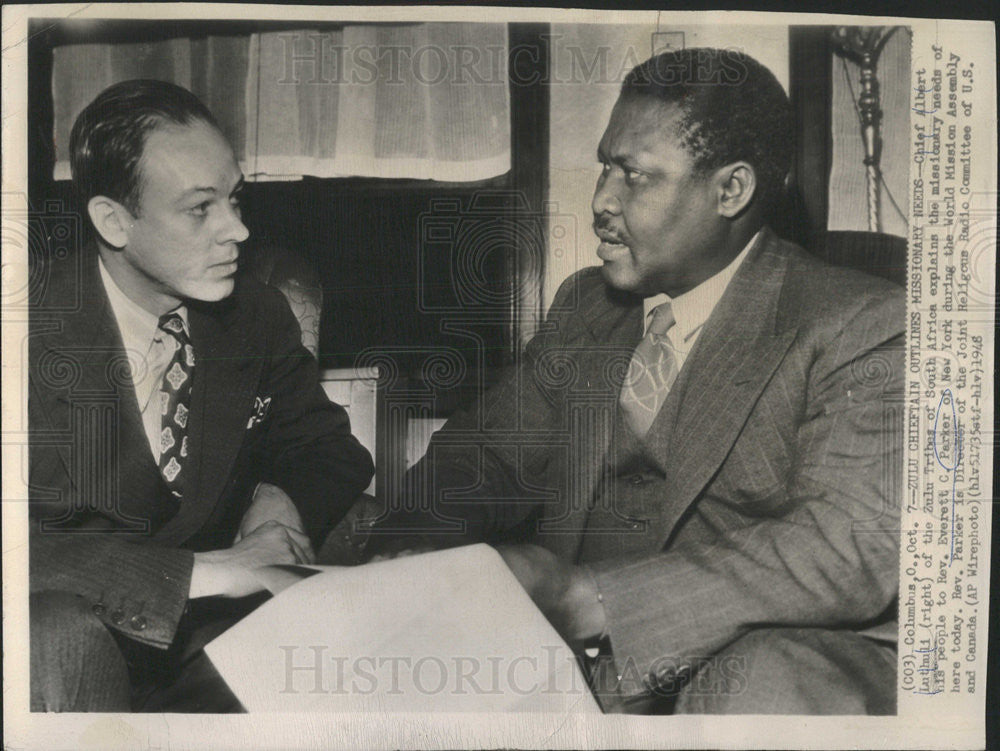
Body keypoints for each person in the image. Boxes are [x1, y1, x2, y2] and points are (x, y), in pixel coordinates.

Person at [367, 48, 904, 714]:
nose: (601, 201)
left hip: (734, 680)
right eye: (604, 168)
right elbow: (481, 455)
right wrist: (404, 553)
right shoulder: (587, 307)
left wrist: (589, 597)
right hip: (561, 675)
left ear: (730, 190)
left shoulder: (859, 323)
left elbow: (844, 544)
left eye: (635, 177)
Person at [29, 79, 374, 711]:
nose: (237, 231)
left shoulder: (256, 315)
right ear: (113, 220)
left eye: (236, 200)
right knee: (55, 637)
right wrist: (210, 571)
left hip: (206, 652)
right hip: (54, 660)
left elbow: (326, 447)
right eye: (200, 209)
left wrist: (279, 502)